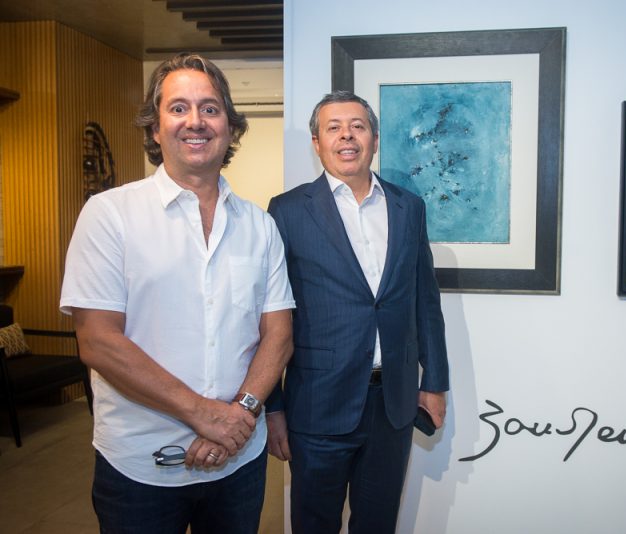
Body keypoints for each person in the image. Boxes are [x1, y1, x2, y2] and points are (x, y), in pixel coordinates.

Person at [59, 52, 295, 534]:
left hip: (239, 460)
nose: (196, 121)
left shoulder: (260, 225)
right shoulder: (109, 216)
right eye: (178, 107)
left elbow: (278, 335)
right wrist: (206, 415)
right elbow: (99, 341)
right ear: (154, 127)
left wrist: (240, 416)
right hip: (139, 468)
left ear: (230, 126)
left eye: (210, 108)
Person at [265, 90, 450, 533]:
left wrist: (436, 382)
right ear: (316, 142)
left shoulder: (409, 208)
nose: (346, 136)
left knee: (378, 524)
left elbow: (426, 299)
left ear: (374, 138)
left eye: (357, 126)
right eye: (333, 127)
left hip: (393, 404)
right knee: (314, 525)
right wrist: (272, 406)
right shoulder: (286, 211)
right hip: (317, 405)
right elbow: (269, 314)